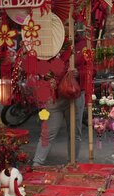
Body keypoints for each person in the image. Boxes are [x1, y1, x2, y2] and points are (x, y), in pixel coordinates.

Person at [33, 34, 86, 166]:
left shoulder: (83, 44)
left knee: (74, 133)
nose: (67, 26)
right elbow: (40, 65)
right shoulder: (49, 41)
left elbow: (92, 69)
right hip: (54, 96)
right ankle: (37, 164)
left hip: (74, 96)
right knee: (48, 132)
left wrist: (78, 73)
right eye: (65, 23)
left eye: (70, 23)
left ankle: (72, 163)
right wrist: (46, 76)